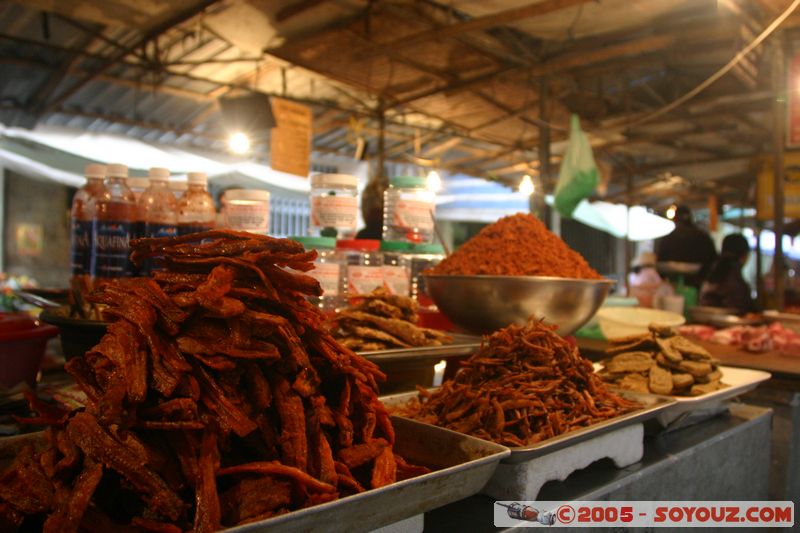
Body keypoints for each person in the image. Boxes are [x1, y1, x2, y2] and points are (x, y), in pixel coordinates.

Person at [655, 205, 717, 286]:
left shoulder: (668, 239)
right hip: (699, 284)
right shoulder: (703, 237)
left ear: (675, 219)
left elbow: (660, 263)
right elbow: (713, 260)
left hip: (673, 285)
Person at [699, 233, 758, 313]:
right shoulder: (734, 272)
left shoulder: (712, 266)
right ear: (744, 255)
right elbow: (744, 305)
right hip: (728, 320)